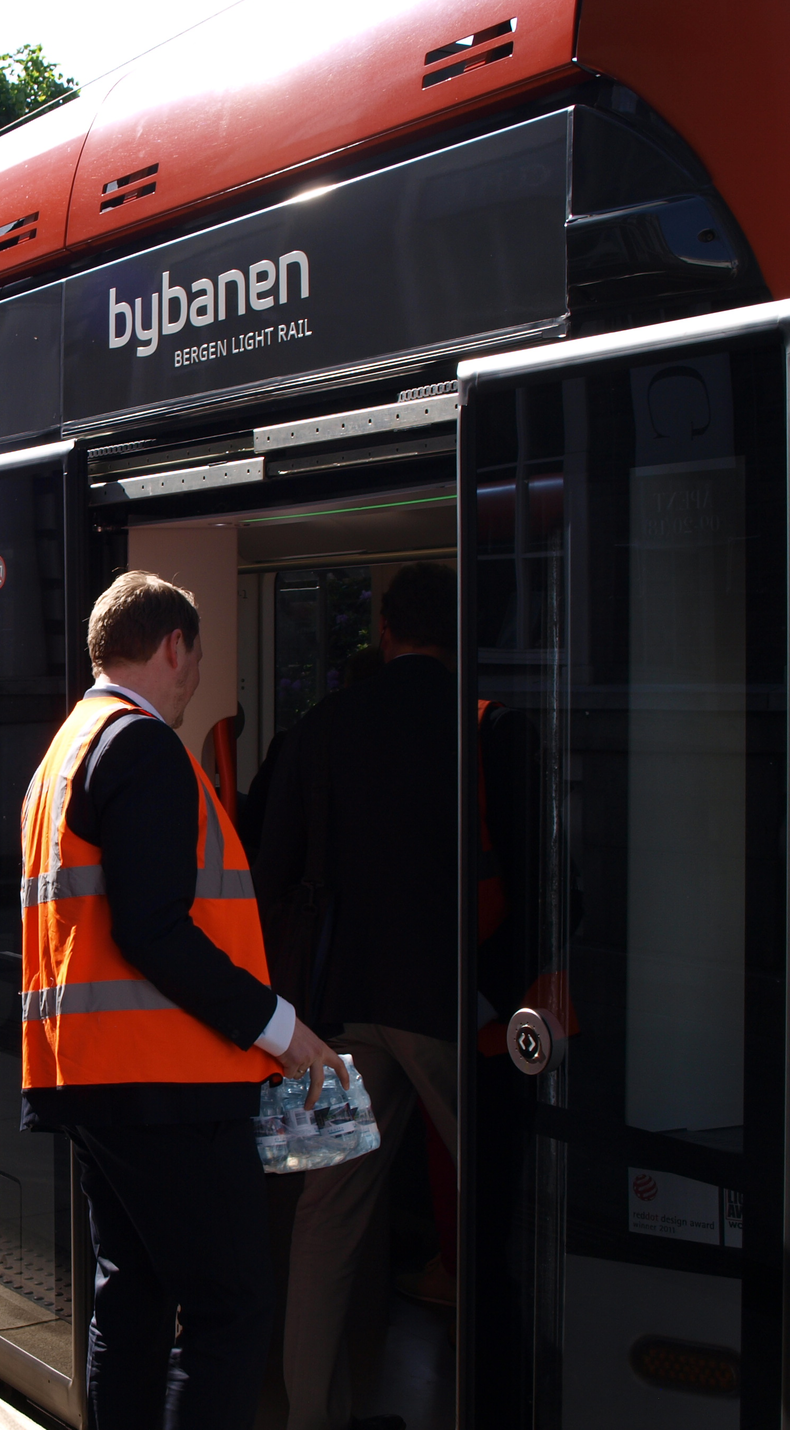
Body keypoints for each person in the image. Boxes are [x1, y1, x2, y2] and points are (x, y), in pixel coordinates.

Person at [20, 570, 345, 1430]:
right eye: (197, 659)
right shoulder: (144, 748)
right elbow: (155, 929)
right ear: (174, 646)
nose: (197, 679)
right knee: (229, 1309)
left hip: (94, 1078)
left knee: (131, 1297)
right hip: (167, 1085)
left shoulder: (65, 752)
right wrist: (281, 1029)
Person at [255, 561, 462, 1430]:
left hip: (340, 1008)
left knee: (327, 1212)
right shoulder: (478, 719)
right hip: (451, 1008)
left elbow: (268, 866)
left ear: (386, 629)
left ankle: (312, 1415)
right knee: (499, 1203)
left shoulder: (326, 723)